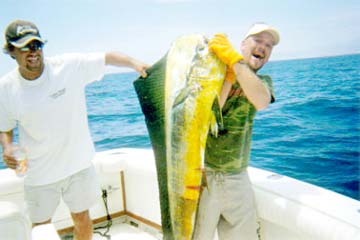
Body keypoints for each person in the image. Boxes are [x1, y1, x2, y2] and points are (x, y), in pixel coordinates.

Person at [0, 19, 148, 240]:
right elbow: (5, 126)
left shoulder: (67, 66)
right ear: (11, 51)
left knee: (82, 218)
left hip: (77, 165)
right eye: (24, 46)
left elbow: (106, 57)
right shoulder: (6, 88)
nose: (32, 51)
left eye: (36, 45)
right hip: (39, 173)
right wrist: (8, 147)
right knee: (41, 227)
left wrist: (135, 63)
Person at [193, 23, 280, 240]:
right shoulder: (218, 73)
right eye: (258, 40)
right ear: (242, 45)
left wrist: (235, 62)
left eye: (269, 45)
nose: (263, 47)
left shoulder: (262, 82)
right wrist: (229, 73)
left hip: (237, 175)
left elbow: (261, 101)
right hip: (203, 174)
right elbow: (209, 114)